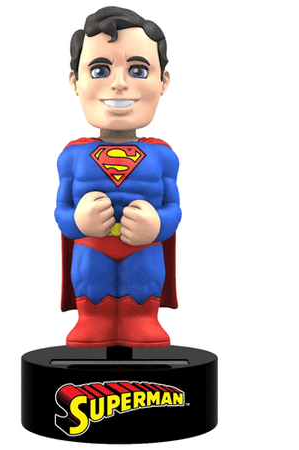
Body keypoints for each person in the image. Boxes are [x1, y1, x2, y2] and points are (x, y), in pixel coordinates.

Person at [55, 7, 181, 348]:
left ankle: (140, 318)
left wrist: (157, 225)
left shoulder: (163, 156)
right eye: (100, 70)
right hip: (91, 250)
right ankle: (92, 318)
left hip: (144, 252)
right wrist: (78, 220)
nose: (120, 83)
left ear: (163, 81)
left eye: (138, 70)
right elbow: (61, 211)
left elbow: (174, 209)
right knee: (92, 287)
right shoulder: (72, 156)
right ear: (75, 82)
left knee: (142, 290)